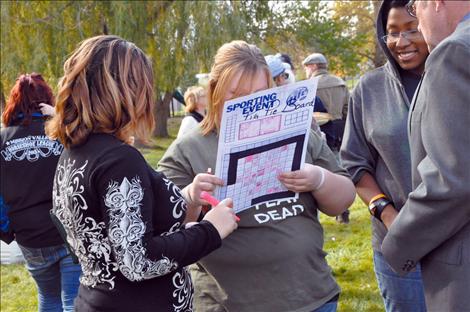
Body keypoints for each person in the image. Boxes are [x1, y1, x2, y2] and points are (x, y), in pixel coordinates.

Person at [158, 40, 356, 312]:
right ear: (215, 91)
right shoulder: (188, 148)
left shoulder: (300, 132)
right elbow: (160, 227)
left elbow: (343, 199)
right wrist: (190, 198)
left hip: (309, 294)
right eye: (237, 95)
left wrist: (319, 179)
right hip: (229, 302)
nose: (251, 103)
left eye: (260, 93)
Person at [45, 35, 238, 311]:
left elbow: (119, 226)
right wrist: (211, 230)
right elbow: (137, 261)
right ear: (125, 90)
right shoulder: (118, 160)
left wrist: (188, 197)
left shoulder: (75, 152)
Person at [340, 0, 429, 310]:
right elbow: (354, 162)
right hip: (399, 247)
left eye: (412, 29)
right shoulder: (369, 89)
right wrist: (390, 217)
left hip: (458, 243)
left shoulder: (456, 78)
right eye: (391, 33)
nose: (401, 43)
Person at [381, 1, 470, 311]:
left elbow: (452, 179)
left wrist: (397, 244)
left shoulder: (453, 52)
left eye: (415, 8)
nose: (417, 16)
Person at [0, 73, 82, 312]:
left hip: (29, 234)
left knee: (48, 298)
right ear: (47, 99)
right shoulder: (64, 134)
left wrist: (6, 228)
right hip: (67, 229)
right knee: (72, 301)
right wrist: (60, 116)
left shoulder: (2, 140)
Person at [303, 52, 350, 224]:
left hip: (318, 132)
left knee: (321, 171)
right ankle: (343, 210)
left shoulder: (308, 86)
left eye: (307, 67)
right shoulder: (340, 83)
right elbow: (347, 110)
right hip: (338, 129)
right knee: (337, 167)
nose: (306, 70)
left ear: (314, 66)